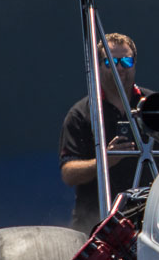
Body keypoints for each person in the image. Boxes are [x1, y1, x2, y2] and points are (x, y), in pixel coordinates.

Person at [60, 34, 151, 235]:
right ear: (98, 66)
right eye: (110, 62)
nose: (120, 68)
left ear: (134, 64)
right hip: (95, 223)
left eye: (126, 61)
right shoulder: (82, 113)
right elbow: (68, 173)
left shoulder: (155, 106)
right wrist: (104, 161)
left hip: (147, 220)